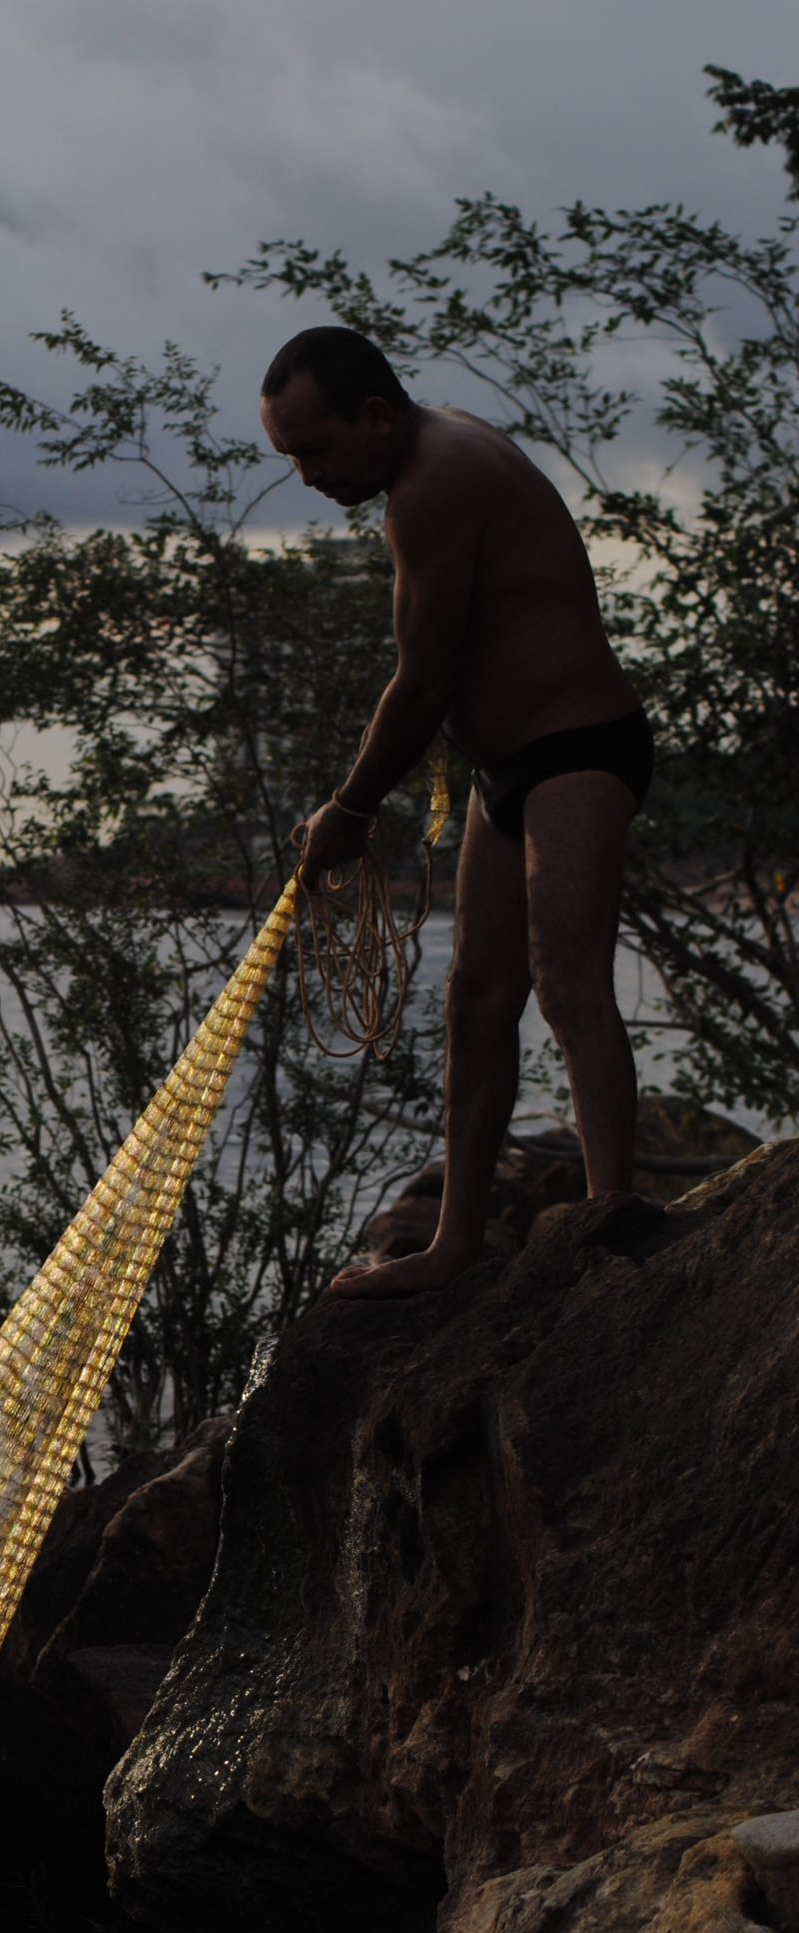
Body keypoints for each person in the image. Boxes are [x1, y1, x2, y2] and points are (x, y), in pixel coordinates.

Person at [261, 325, 652, 1299]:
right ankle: (456, 1243)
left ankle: (617, 1220)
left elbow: (423, 680)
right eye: (289, 455)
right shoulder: (426, 455)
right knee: (476, 997)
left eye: (317, 448)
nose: (307, 474)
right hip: (507, 768)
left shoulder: (433, 485)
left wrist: (348, 809)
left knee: (566, 981)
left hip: (577, 750)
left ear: (376, 417)